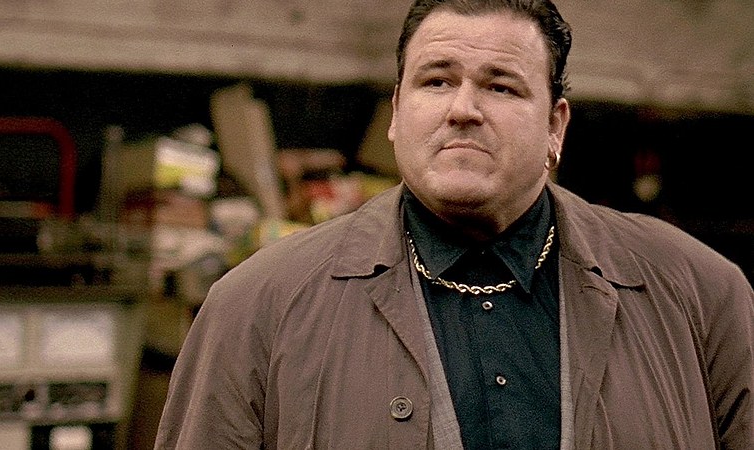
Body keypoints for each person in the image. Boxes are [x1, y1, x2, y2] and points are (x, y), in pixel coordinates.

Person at [154, 0, 754, 448]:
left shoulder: (697, 292)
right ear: (397, 112)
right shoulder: (257, 306)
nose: (463, 109)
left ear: (555, 126)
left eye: (501, 86)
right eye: (436, 80)